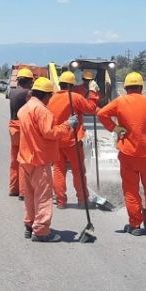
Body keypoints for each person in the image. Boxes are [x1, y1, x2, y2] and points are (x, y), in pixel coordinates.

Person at [97, 72, 146, 236]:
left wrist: (114, 128)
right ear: (141, 87)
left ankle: (135, 225)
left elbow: (101, 114)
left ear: (126, 87)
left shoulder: (121, 101)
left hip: (128, 154)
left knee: (131, 190)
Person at [17, 76, 78, 242]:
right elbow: (50, 133)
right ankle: (42, 231)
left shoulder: (25, 108)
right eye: (49, 96)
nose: (50, 99)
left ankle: (30, 225)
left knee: (30, 196)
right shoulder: (42, 110)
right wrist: (68, 125)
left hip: (25, 159)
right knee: (43, 197)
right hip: (39, 160)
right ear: (46, 95)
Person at [47, 70, 97, 209]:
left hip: (57, 140)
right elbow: (91, 108)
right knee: (78, 171)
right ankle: (82, 200)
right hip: (72, 140)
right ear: (72, 85)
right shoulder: (75, 97)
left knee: (58, 170)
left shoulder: (51, 98)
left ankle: (61, 201)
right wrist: (93, 92)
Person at [8, 68, 35, 199]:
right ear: (30, 81)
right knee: (24, 161)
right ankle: (24, 192)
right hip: (23, 128)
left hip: (13, 127)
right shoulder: (28, 94)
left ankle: (14, 188)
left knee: (14, 160)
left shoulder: (12, 92)